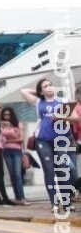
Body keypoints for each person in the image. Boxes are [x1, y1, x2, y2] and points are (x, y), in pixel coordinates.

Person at [21, 79, 74, 212]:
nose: (49, 87)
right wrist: (39, 92)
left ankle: (67, 203)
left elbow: (76, 118)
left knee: (62, 170)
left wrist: (61, 117)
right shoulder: (38, 101)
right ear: (41, 90)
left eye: (51, 85)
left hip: (60, 139)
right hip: (43, 140)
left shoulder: (63, 101)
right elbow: (24, 91)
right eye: (46, 86)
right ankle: (54, 203)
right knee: (49, 171)